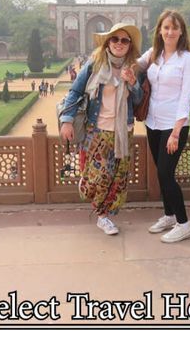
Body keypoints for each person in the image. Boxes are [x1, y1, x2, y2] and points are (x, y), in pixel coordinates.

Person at [57, 22, 144, 235]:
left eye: (124, 40)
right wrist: (67, 120)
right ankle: (100, 212)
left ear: (129, 44)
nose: (119, 43)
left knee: (118, 176)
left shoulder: (133, 67)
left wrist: (133, 83)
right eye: (115, 39)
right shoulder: (94, 64)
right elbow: (75, 92)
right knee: (101, 175)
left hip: (124, 130)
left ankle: (104, 215)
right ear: (107, 42)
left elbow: (139, 100)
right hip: (98, 130)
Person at [137, 10, 190, 243]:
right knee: (161, 173)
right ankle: (169, 215)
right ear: (160, 30)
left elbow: (186, 97)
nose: (170, 32)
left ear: (181, 31)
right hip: (153, 122)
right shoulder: (154, 54)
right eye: (166, 27)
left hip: (175, 125)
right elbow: (136, 66)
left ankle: (183, 223)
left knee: (166, 173)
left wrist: (175, 132)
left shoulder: (187, 60)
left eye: (174, 28)